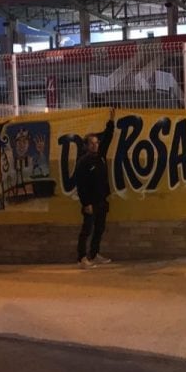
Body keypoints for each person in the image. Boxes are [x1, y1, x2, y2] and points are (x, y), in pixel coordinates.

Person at [75, 107, 117, 268]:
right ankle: (82, 258)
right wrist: (86, 204)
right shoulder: (83, 162)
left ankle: (94, 254)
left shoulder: (100, 157)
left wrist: (111, 123)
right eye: (91, 143)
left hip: (101, 201)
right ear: (86, 146)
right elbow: (81, 185)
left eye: (96, 143)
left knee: (99, 229)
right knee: (87, 230)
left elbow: (107, 139)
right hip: (91, 203)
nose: (95, 145)